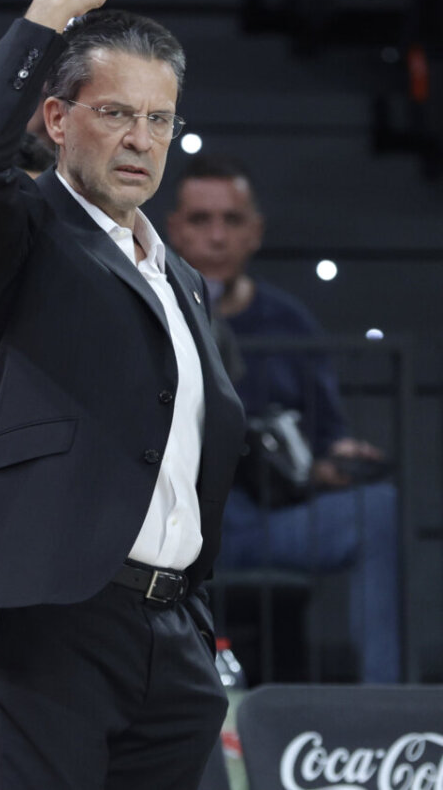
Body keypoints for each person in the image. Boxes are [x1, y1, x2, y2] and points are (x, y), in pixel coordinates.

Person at [0, 0, 247, 789]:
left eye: (158, 120)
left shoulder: (178, 274)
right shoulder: (20, 232)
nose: (141, 140)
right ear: (57, 119)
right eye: (115, 113)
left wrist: (192, 611)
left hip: (170, 632)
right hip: (50, 618)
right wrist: (48, 11)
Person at [166, 154, 401, 683]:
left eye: (232, 220)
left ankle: (384, 706)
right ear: (174, 229)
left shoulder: (290, 321)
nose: (217, 236)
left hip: (270, 519)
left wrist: (338, 460)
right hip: (179, 522)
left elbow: (327, 435)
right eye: (201, 220)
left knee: (378, 510)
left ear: (255, 232)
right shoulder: (148, 307)